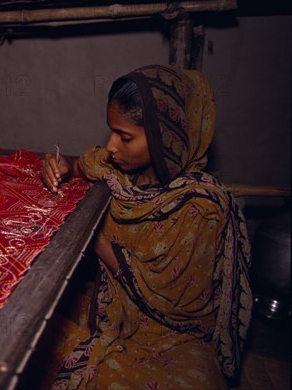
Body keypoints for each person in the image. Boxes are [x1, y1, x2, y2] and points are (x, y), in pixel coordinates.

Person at [41, 64, 252, 389]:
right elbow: (85, 163)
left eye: (125, 136)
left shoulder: (200, 208)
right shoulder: (122, 172)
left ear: (162, 139)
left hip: (169, 336)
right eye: (111, 131)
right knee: (30, 335)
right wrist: (59, 167)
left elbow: (179, 306)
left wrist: (91, 235)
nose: (111, 145)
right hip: (108, 306)